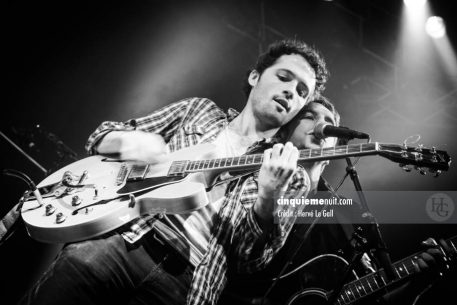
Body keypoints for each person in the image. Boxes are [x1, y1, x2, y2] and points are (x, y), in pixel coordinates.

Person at [19, 38, 329, 305]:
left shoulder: (293, 173)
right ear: (254, 77)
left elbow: (251, 260)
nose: (291, 91)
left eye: (302, 91)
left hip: (188, 282)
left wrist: (268, 195)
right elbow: (101, 135)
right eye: (284, 77)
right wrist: (129, 142)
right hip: (120, 239)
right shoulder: (199, 111)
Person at [186, 97, 456, 305]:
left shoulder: (345, 215)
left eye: (328, 120)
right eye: (309, 116)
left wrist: (416, 283)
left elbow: (373, 296)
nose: (320, 125)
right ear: (282, 134)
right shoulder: (254, 174)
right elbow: (233, 251)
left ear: (335, 149)